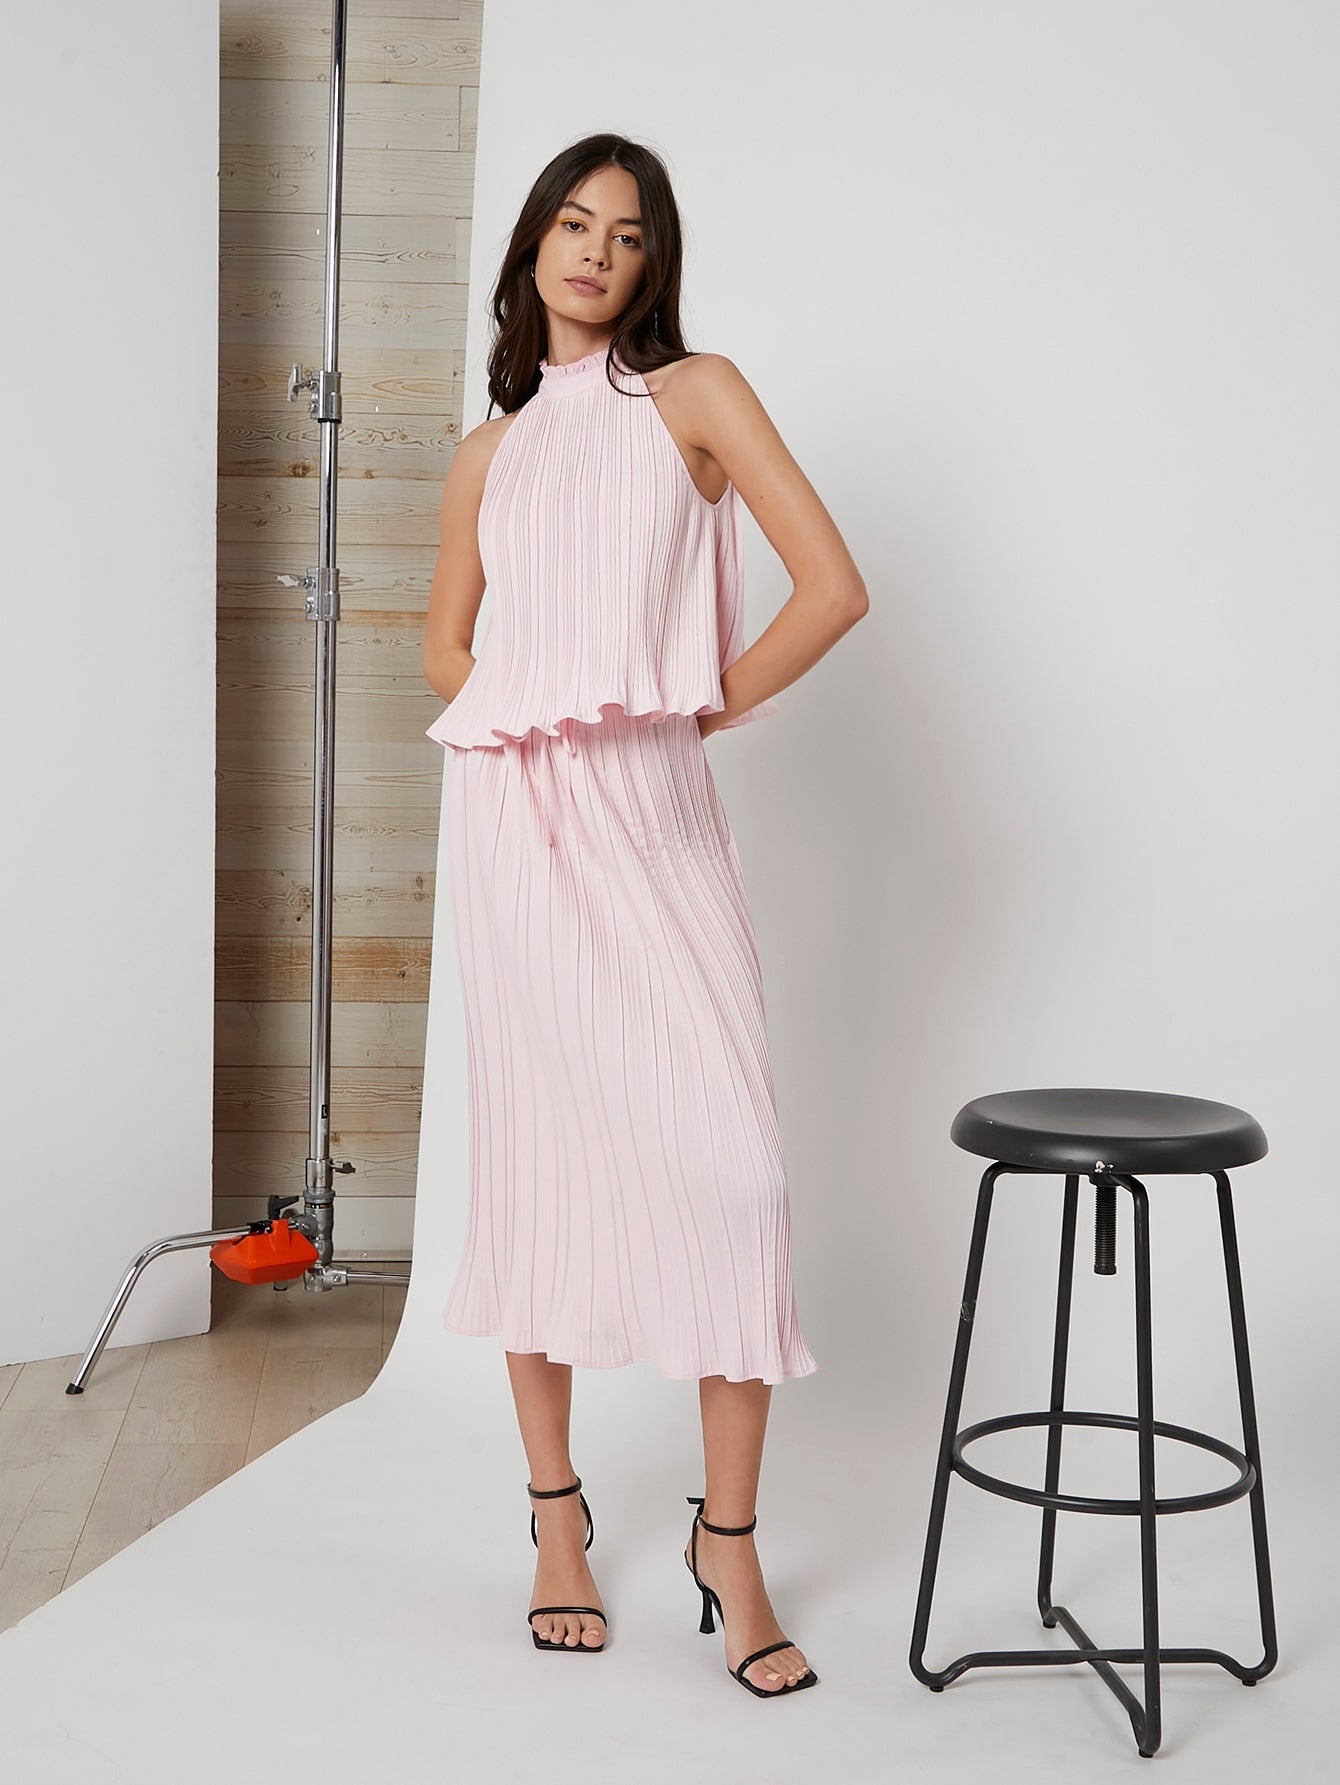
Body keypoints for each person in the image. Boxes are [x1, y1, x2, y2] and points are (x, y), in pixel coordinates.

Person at [421, 133, 867, 1698]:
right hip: (519, 827)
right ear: (533, 245)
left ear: (653, 262)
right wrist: (535, 708)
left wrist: (684, 708)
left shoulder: (695, 396)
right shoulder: (489, 453)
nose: (595, 251)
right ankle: (556, 1515)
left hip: (656, 821)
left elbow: (832, 586)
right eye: (572, 222)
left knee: (738, 1176)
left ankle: (726, 1542)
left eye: (625, 233)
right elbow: (444, 648)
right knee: (538, 1161)